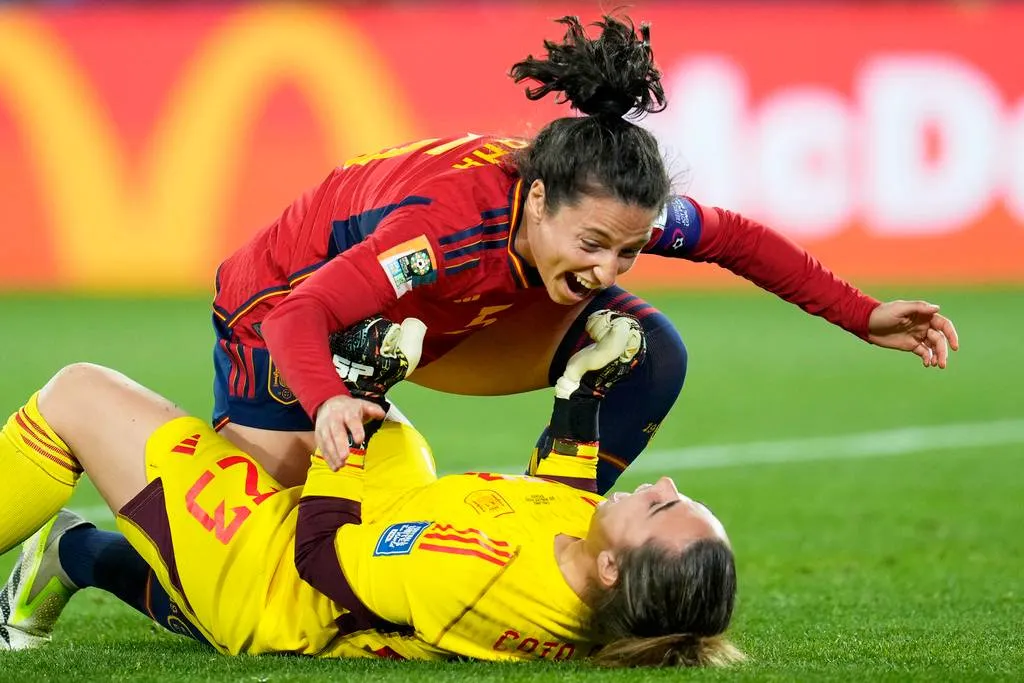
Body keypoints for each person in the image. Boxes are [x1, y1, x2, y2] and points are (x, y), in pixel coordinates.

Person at [203, 13, 959, 494]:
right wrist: (327, 395)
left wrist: (864, 315)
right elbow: (301, 311)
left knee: (646, 350)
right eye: (594, 245)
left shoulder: (604, 204)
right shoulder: (442, 233)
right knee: (259, 569)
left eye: (627, 251)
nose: (607, 267)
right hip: (276, 314)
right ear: (535, 200)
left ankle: (544, 523)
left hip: (428, 321)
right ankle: (94, 557)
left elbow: (735, 237)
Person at [0, 312, 742, 667]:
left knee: (76, 392)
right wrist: (581, 395)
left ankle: (89, 553)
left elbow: (321, 559)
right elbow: (554, 495)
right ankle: (76, 552)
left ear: (616, 568)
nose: (665, 483)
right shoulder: (591, 563)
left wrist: (340, 423)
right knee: (315, 366)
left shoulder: (469, 572)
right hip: (395, 498)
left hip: (275, 578)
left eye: (666, 507)